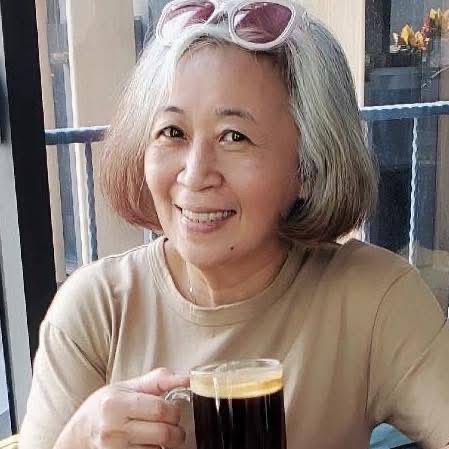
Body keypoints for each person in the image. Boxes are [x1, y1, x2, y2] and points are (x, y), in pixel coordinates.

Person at [20, 1, 449, 448]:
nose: (195, 174)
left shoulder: (373, 299)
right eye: (172, 132)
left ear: (308, 166)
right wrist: (78, 439)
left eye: (234, 136)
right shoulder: (95, 310)